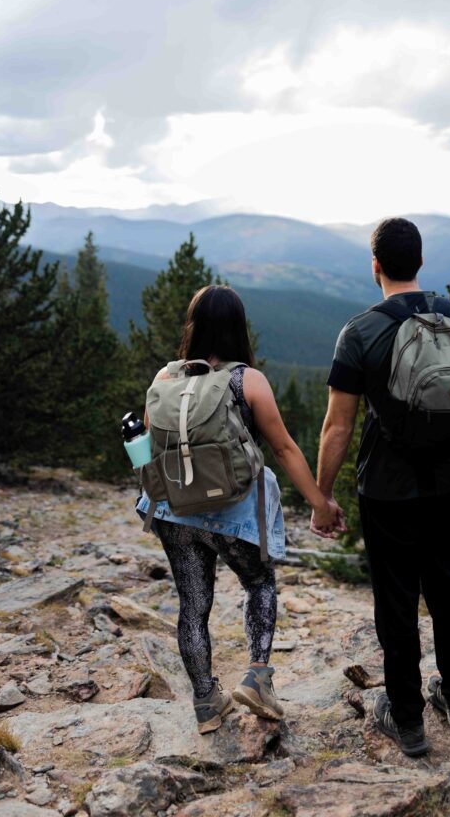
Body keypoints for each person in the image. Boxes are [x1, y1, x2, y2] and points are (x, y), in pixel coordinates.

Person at [312, 217, 450, 757]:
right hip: (448, 480)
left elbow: (337, 427)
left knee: (396, 602)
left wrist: (323, 497)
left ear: (375, 266)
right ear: (419, 261)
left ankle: (409, 721)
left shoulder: (361, 331)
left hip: (387, 490)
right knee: (447, 589)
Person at [136, 285, 343, 733]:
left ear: (193, 326)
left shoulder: (164, 380)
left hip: (174, 511)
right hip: (230, 513)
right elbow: (285, 449)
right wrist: (320, 504)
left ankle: (207, 702)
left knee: (193, 605)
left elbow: (151, 444)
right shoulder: (247, 380)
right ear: (238, 328)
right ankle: (256, 677)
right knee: (259, 582)